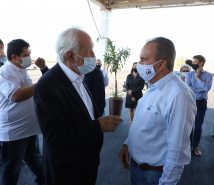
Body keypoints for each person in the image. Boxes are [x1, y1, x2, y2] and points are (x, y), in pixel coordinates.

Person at [33, 27, 123, 185]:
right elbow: (54, 135)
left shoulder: (80, 76)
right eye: (89, 50)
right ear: (70, 55)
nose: (94, 56)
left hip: (86, 164)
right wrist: (97, 126)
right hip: (66, 171)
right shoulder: (48, 84)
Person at [119, 37, 196, 185]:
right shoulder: (153, 87)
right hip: (137, 169)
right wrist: (128, 143)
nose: (138, 64)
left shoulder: (179, 94)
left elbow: (177, 151)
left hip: (153, 176)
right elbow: (143, 122)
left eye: (143, 59)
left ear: (161, 64)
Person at [0, 39, 47, 185]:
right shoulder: (5, 72)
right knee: (11, 169)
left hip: (29, 129)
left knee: (36, 161)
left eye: (29, 53)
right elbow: (16, 95)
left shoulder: (21, 69)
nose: (29, 57)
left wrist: (43, 68)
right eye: (26, 55)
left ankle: (44, 181)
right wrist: (39, 85)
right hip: (15, 131)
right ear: (14, 56)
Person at [185, 55, 213, 156]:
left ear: (201, 63)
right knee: (189, 125)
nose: (193, 64)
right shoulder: (188, 74)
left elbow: (206, 88)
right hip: (190, 102)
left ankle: (195, 146)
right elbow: (189, 88)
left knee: (198, 126)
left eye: (195, 62)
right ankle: (188, 145)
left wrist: (197, 78)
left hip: (201, 103)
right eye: (193, 62)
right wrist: (200, 89)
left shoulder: (208, 75)